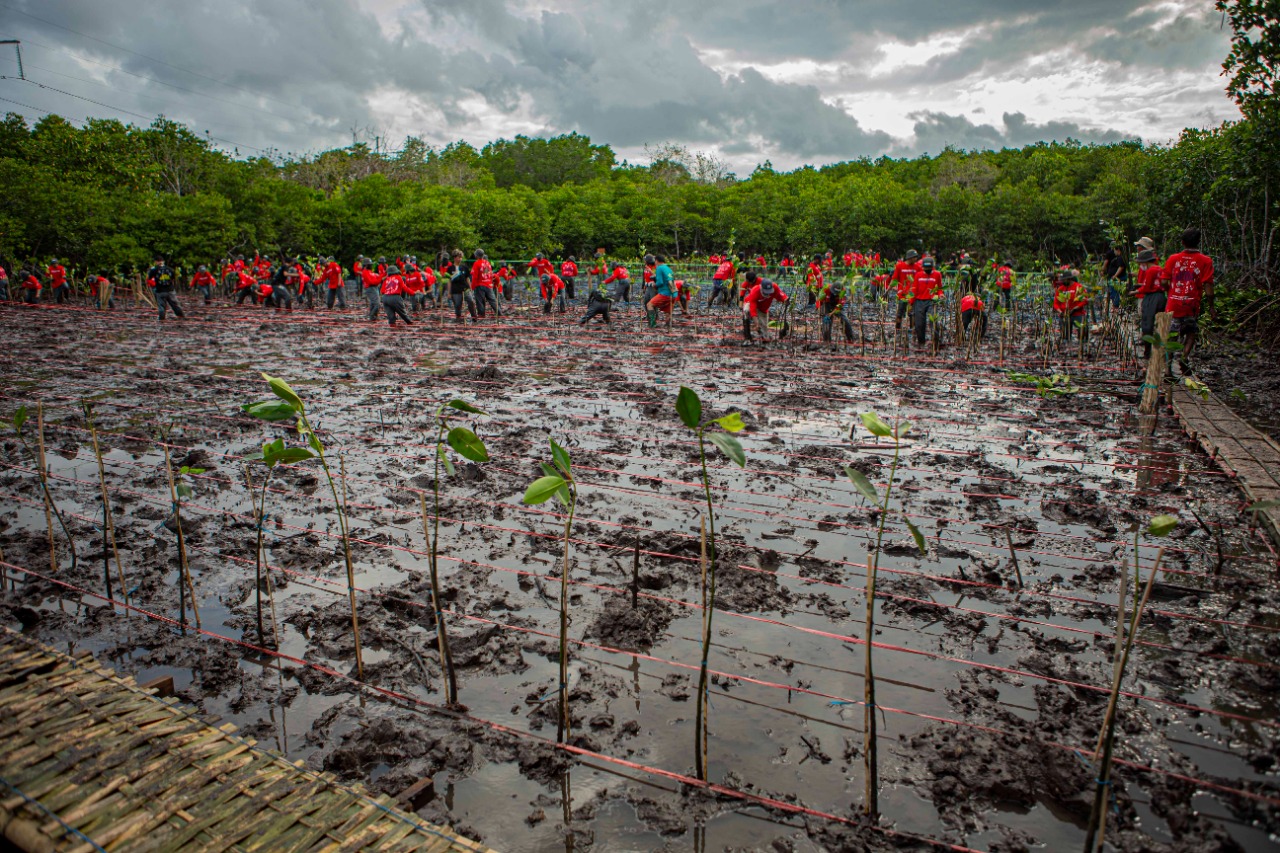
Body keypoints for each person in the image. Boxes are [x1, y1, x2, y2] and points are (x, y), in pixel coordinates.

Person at [1162, 227, 1214, 371]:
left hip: (1173, 304)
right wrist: (1211, 307)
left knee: (1171, 336)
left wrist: (1170, 292)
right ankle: (1184, 357)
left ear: (1182, 242)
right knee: (1191, 333)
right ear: (1198, 242)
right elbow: (1208, 286)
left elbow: (1164, 282)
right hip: (1191, 305)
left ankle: (1167, 371)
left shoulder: (1173, 259)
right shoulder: (1205, 261)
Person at [1130, 248, 1166, 359]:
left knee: (1147, 323)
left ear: (1145, 262)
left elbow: (1147, 287)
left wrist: (1135, 291)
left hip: (1152, 298)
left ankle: (1147, 352)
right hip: (1161, 297)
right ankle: (1160, 349)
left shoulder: (1150, 270)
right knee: (1159, 324)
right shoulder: (1159, 268)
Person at [742, 272, 788, 342]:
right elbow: (753, 308)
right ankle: (747, 336)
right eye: (766, 292)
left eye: (769, 292)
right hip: (750, 303)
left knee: (764, 331)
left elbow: (780, 295)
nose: (768, 294)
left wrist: (785, 300)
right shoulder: (755, 291)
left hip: (763, 309)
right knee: (746, 310)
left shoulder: (775, 287)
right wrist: (756, 322)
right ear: (761, 288)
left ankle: (763, 335)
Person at [908, 256, 944, 346]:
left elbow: (939, 288)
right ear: (923, 267)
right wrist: (911, 302)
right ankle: (921, 342)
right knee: (919, 324)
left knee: (934, 322)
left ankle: (936, 342)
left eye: (929, 268)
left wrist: (941, 294)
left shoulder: (937, 274)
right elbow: (914, 289)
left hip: (932, 301)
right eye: (925, 268)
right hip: (919, 301)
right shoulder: (918, 275)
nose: (927, 270)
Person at [146, 254, 185, 320]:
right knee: (175, 304)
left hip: (160, 291)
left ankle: (162, 319)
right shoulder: (170, 269)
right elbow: (173, 278)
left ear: (156, 262)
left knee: (161, 306)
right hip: (170, 290)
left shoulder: (154, 270)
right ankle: (181, 316)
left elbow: (149, 278)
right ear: (163, 261)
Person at [891, 249, 922, 330]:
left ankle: (912, 329)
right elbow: (894, 279)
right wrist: (894, 287)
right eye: (914, 257)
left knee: (912, 313)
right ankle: (897, 328)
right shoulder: (899, 266)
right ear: (910, 258)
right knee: (900, 312)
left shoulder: (917, 267)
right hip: (902, 294)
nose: (916, 259)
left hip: (912, 294)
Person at [1052, 270, 1088, 338]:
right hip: (1064, 314)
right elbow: (1056, 303)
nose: (1062, 282)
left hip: (1077, 313)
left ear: (1069, 279)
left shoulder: (1079, 287)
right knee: (1065, 336)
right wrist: (1060, 312)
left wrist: (1075, 308)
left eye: (1064, 280)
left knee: (1083, 333)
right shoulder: (1061, 289)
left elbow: (1084, 300)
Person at [819, 274, 853, 343]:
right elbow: (820, 301)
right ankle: (827, 341)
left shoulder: (843, 292)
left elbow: (839, 306)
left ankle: (850, 339)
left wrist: (831, 313)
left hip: (837, 305)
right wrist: (822, 311)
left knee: (845, 320)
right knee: (826, 322)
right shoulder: (826, 289)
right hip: (827, 304)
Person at [646, 254, 675, 327]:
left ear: (656, 261)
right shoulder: (668, 268)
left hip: (665, 293)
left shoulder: (659, 268)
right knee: (667, 312)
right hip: (673, 292)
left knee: (649, 305)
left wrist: (654, 284)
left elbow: (660, 282)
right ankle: (668, 325)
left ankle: (652, 324)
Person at [471, 248, 500, 318]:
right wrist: (490, 283)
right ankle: (499, 313)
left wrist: (472, 287)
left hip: (480, 285)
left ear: (476, 255)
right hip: (488, 284)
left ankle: (481, 315)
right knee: (493, 300)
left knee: (480, 301)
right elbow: (490, 274)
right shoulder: (487, 263)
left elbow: (475, 276)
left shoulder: (476, 263)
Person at [354, 256, 384, 320]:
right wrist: (380, 279)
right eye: (370, 265)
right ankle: (372, 316)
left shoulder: (369, 271)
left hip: (374, 288)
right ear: (366, 265)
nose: (371, 266)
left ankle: (373, 316)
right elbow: (371, 282)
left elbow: (375, 278)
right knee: (377, 304)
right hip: (371, 288)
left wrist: (380, 277)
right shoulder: (365, 272)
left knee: (373, 303)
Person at [449, 252, 477, 322]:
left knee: (471, 301)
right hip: (455, 289)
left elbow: (467, 278)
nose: (460, 259)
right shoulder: (450, 268)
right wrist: (449, 292)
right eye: (459, 257)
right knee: (458, 304)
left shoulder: (464, 267)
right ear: (455, 258)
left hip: (465, 288)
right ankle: (458, 317)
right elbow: (448, 281)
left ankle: (474, 315)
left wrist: (470, 288)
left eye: (461, 257)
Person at [1101, 245, 1128, 310]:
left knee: (1115, 293)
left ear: (1117, 250)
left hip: (1118, 278)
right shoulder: (1121, 257)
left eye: (1114, 250)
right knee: (1116, 293)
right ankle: (1116, 306)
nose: (1114, 252)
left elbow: (1121, 267)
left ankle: (1116, 307)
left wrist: (1115, 275)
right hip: (1117, 277)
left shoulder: (1120, 257)